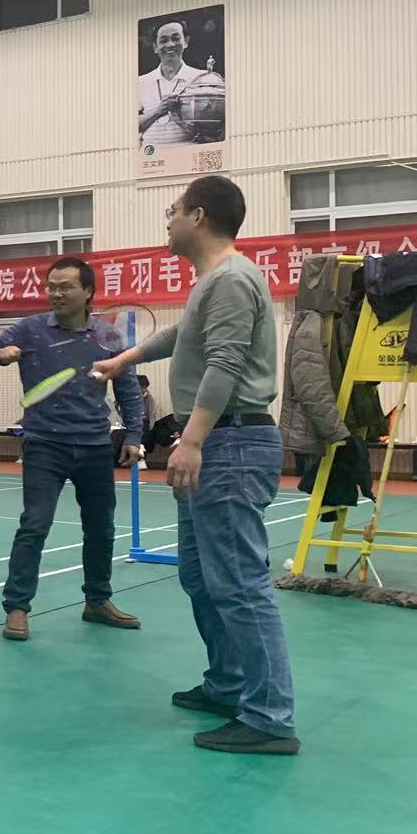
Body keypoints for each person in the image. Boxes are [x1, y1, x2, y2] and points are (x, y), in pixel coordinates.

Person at [95, 175, 297, 755]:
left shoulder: (232, 278)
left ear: (199, 216)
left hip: (229, 442)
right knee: (202, 576)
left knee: (239, 582)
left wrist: (192, 439)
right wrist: (125, 359)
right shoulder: (214, 281)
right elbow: (183, 336)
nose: (168, 220)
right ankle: (229, 684)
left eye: (174, 210)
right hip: (218, 441)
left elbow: (225, 363)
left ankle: (270, 717)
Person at [0, 257, 145, 642]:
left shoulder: (108, 336)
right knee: (35, 524)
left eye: (65, 287)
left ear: (88, 291)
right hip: (45, 445)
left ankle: (97, 600)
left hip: (95, 446)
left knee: (101, 527)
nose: (56, 293)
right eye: (51, 286)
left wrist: (134, 435)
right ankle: (17, 607)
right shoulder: (30, 329)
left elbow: (128, 389)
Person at [138, 20, 225, 151]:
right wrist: (158, 111)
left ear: (186, 42)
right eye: (164, 40)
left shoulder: (202, 79)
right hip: (151, 156)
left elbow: (221, 124)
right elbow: (127, 129)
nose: (170, 44)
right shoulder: (141, 82)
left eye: (176, 38)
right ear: (155, 47)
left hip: (190, 154)